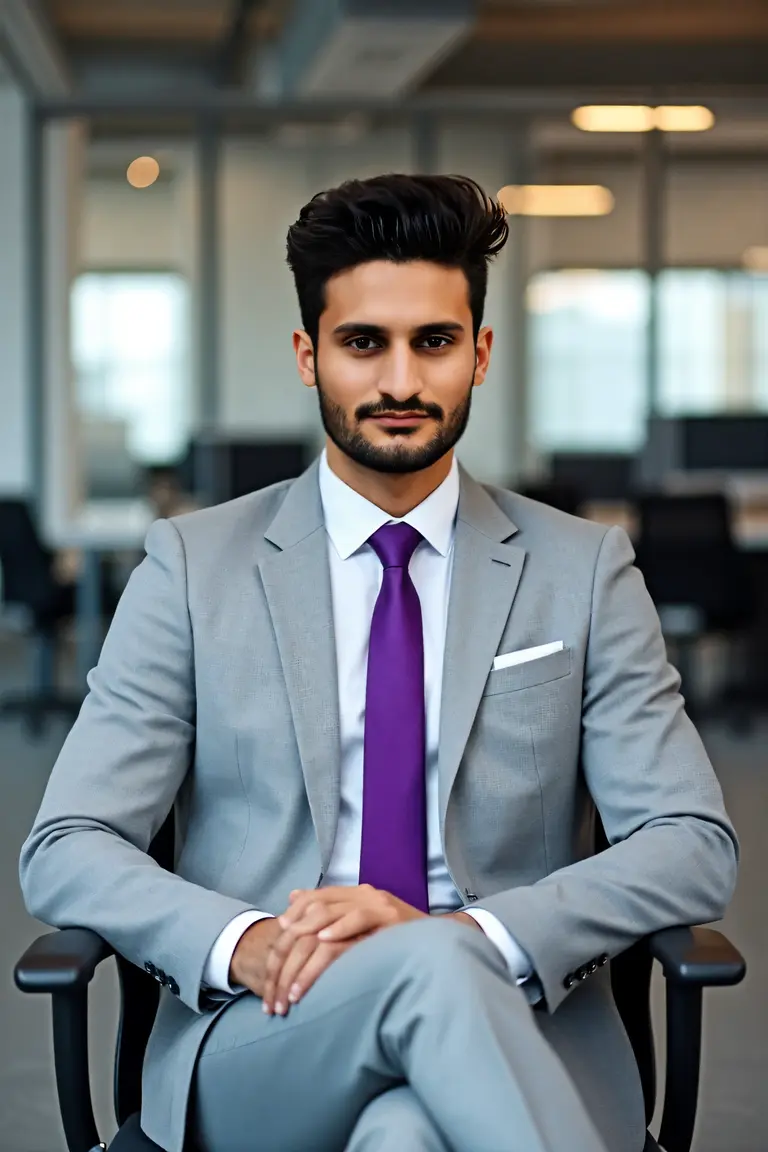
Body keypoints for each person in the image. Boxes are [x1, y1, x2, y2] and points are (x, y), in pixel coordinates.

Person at [19, 175, 738, 1152]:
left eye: (432, 342)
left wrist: (471, 939)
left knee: (406, 1133)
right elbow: (67, 843)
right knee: (428, 984)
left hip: (522, 1029)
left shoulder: (582, 569)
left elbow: (691, 842)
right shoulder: (192, 569)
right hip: (268, 1035)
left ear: (478, 354)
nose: (400, 380)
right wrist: (248, 943)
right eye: (365, 343)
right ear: (309, 356)